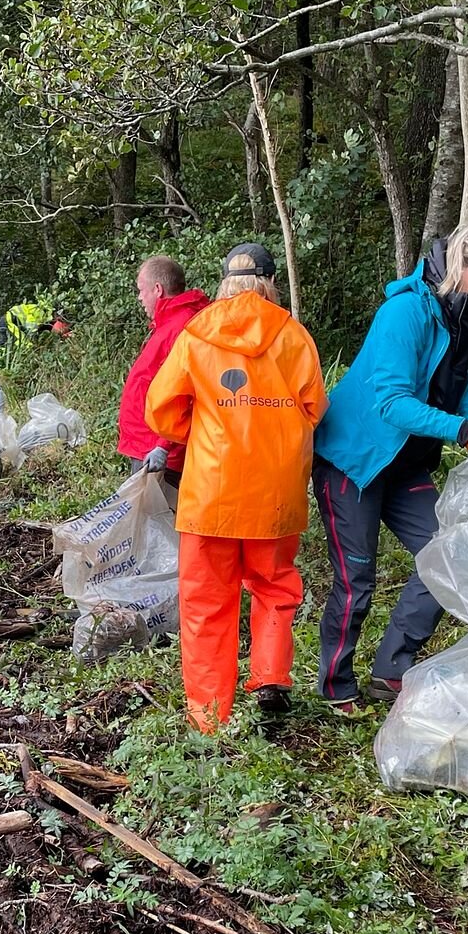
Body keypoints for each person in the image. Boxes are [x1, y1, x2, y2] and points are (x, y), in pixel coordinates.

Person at [312, 215, 468, 714]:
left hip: (405, 466)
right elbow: (390, 402)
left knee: (447, 553)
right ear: (460, 263)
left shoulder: (467, 326)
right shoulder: (404, 312)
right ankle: (336, 686)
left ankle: (392, 669)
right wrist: (461, 432)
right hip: (354, 462)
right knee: (356, 577)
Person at [145, 242, 328, 732]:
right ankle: (270, 675)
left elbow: (160, 408)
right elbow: (315, 408)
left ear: (225, 282)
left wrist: (203, 430)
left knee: (207, 603)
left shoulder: (197, 333)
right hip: (276, 492)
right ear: (270, 281)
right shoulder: (293, 336)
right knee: (274, 586)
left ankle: (209, 717)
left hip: (211, 492)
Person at [118, 254, 208, 493]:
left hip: (159, 453)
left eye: (141, 290)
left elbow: (188, 392)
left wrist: (163, 446)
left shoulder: (181, 327)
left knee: (159, 523)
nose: (139, 297)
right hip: (148, 444)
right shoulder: (168, 324)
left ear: (157, 289)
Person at [0, 298, 72, 346]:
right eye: (59, 316)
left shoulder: (43, 313)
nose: (58, 319)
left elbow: (46, 328)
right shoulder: (40, 312)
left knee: (8, 344)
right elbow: (31, 328)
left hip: (8, 321)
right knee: (25, 344)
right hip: (9, 322)